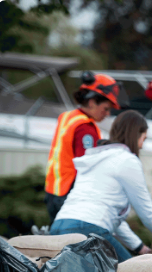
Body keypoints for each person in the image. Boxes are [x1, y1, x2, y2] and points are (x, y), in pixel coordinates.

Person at [50, 110, 152, 261]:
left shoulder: (96, 158)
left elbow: (110, 217)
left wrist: (139, 248)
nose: (142, 146)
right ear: (135, 135)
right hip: (87, 230)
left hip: (58, 227)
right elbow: (147, 213)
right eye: (144, 139)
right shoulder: (127, 160)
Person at [44, 72, 121, 222]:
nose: (107, 114)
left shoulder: (67, 117)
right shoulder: (85, 128)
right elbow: (87, 166)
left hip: (53, 191)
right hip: (69, 195)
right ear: (92, 102)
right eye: (106, 108)